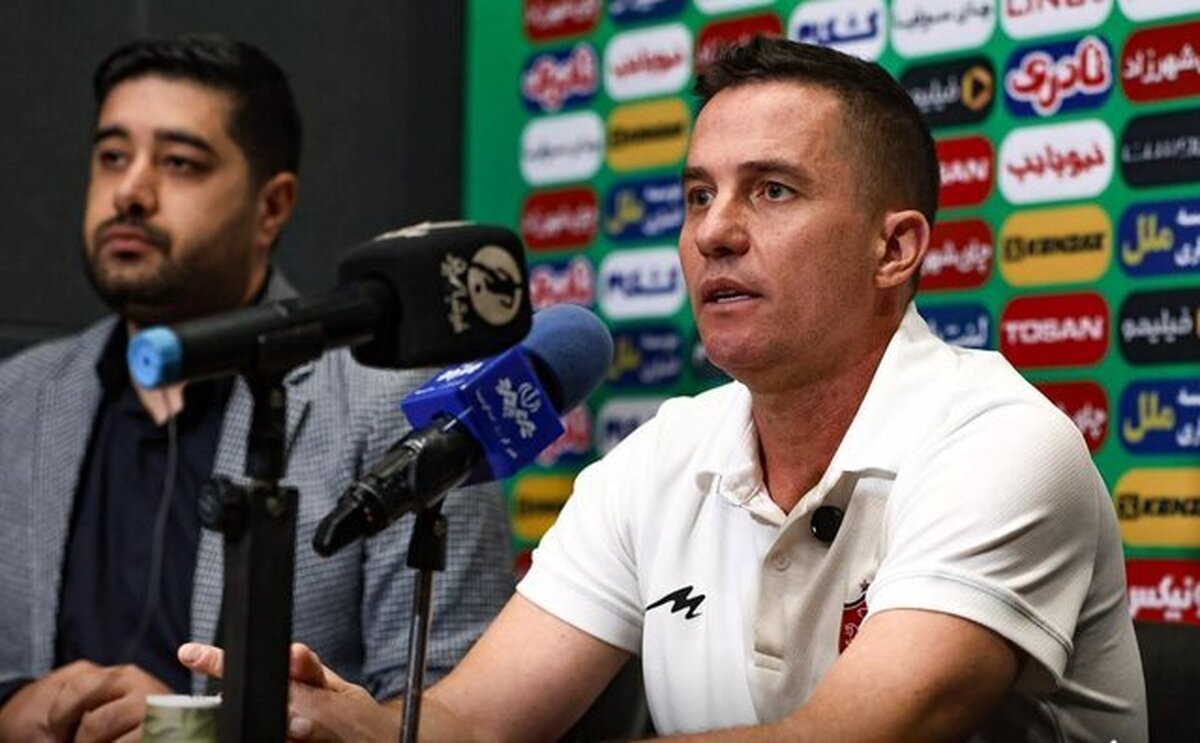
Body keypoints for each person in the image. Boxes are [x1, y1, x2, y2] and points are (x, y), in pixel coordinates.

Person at [181, 37, 1148, 741]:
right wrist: (350, 723)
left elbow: (848, 736)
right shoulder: (658, 459)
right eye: (698, 195)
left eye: (772, 190)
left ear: (893, 248)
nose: (713, 232)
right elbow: (475, 725)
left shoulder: (1000, 441)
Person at [0, 35, 512, 741]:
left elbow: (457, 714)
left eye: (179, 162)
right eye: (113, 155)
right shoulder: (17, 399)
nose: (130, 192)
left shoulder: (397, 407)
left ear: (272, 206)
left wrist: (208, 730)